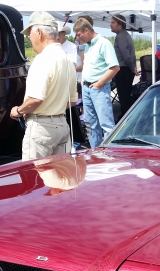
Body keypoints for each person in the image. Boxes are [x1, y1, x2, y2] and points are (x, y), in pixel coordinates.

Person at [10, 11, 75, 160]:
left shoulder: (42, 60)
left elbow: (35, 99)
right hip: (62, 125)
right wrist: (54, 107)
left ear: (39, 33)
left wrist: (18, 111)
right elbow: (71, 101)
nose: (29, 38)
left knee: (35, 178)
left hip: (42, 128)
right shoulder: (67, 59)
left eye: (30, 34)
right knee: (60, 178)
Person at [74, 18, 119, 149]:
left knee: (106, 123)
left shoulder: (104, 43)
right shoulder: (87, 46)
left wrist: (100, 83)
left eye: (78, 34)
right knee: (90, 123)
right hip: (87, 87)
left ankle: (112, 153)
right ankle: (94, 151)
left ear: (86, 30)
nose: (77, 38)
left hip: (98, 88)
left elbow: (115, 67)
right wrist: (84, 80)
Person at [111, 14, 137, 120]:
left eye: (113, 22)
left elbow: (126, 55)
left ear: (120, 25)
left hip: (123, 70)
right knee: (124, 97)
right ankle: (126, 119)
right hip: (125, 70)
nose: (110, 25)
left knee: (124, 98)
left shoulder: (121, 36)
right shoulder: (124, 35)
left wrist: (132, 68)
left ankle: (126, 120)